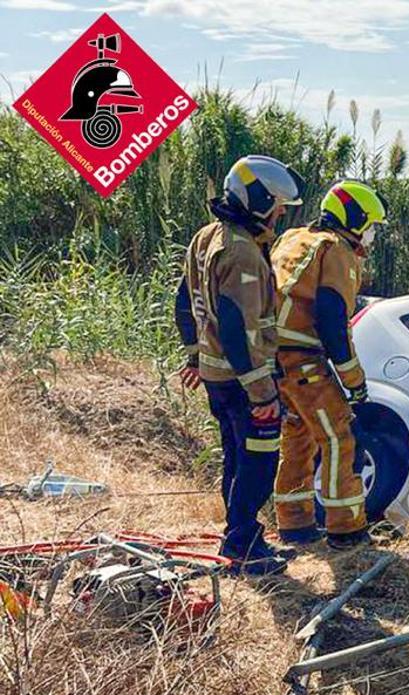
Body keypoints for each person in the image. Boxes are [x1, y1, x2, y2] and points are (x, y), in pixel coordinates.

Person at [174, 155, 305, 576]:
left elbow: (184, 303)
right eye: (278, 204)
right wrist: (263, 393)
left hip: (218, 378)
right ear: (260, 199)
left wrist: (195, 355)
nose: (281, 213)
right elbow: (235, 327)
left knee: (235, 455)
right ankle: (244, 547)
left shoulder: (206, 237)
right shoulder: (243, 252)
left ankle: (241, 536)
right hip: (245, 382)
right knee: (259, 462)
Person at [270, 179, 388, 550]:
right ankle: (346, 531)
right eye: (368, 226)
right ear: (353, 217)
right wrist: (354, 381)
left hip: (272, 359)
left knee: (297, 436)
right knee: (339, 435)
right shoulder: (336, 249)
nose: (369, 236)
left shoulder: (293, 238)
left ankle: (294, 525)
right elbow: (333, 318)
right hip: (303, 359)